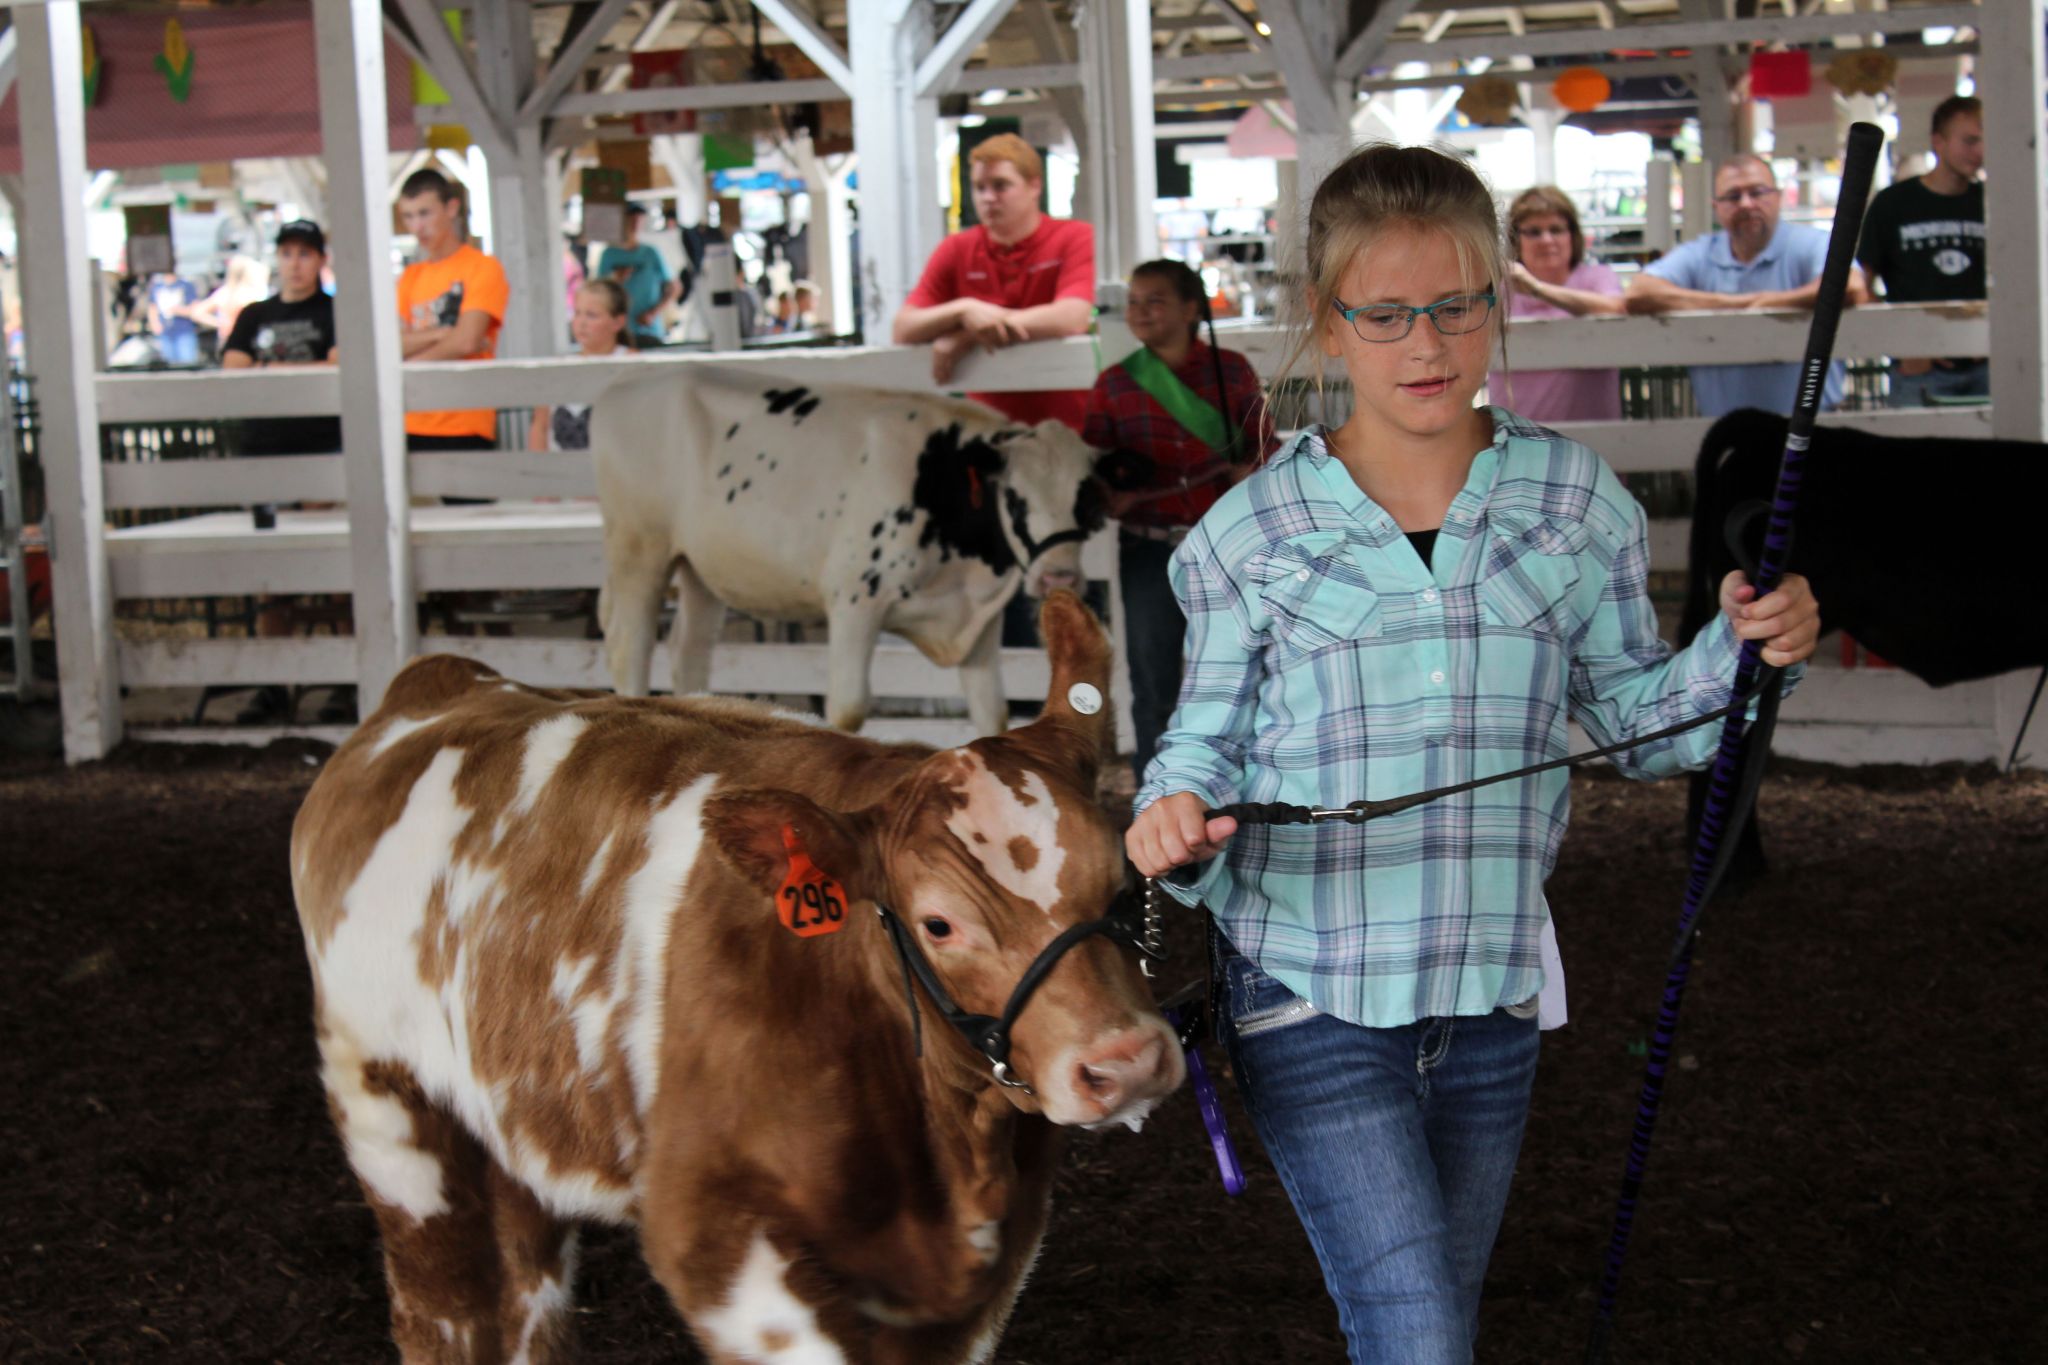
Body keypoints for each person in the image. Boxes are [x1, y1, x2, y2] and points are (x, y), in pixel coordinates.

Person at [1125, 143, 1822, 1364]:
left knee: (1430, 1325)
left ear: (1496, 304)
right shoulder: (1250, 531)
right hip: (1306, 986)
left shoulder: (1573, 503)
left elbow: (1632, 721)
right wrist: (1171, 814)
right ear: (1326, 326)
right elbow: (1200, 741)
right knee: (1418, 1336)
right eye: (1384, 313)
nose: (1425, 343)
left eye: (1455, 304)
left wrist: (1744, 650)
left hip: (1491, 991)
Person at [1083, 259, 1275, 781]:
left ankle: (1248, 792)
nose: (1141, 312)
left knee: (1248, 671)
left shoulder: (1230, 370)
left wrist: (1247, 470)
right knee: (1153, 680)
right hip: (1148, 545)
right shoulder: (1115, 385)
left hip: (1228, 547)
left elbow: (1264, 448)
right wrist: (1108, 498)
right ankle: (1159, 799)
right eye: (1135, 301)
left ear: (1192, 308)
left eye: (1155, 300)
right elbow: (1093, 470)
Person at [1626, 154, 1869, 416]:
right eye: (1732, 196)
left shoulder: (1811, 243)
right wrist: (1743, 304)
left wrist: (1769, 303)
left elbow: (1851, 287)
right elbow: (1640, 292)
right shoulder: (1701, 253)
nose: (1746, 203)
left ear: (1778, 196)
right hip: (1727, 434)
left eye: (1757, 192)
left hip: (1811, 429)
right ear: (1716, 207)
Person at [219, 219, 344, 725]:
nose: (296, 263)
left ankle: (340, 677)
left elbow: (338, 365)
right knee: (271, 573)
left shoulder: (334, 312)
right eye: (288, 253)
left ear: (319, 260)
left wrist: (267, 372)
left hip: (321, 449)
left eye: (305, 254)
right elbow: (232, 367)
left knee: (334, 566)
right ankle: (275, 682)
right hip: (265, 451)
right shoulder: (254, 314)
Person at [891, 133, 1096, 430]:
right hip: (989, 434)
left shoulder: (1074, 237)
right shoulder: (956, 249)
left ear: (1034, 186)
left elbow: (1070, 317)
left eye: (1001, 185)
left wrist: (970, 334)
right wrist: (963, 310)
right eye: (979, 187)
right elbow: (903, 328)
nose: (988, 197)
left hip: (1069, 428)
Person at [1857, 95, 1986, 407]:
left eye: (1984, 141)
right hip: (1919, 372)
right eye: (1969, 141)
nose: (1980, 151)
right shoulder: (1893, 204)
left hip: (1988, 362)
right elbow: (1860, 284)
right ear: (1938, 142)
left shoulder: (1994, 201)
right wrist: (1902, 347)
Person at [395, 167, 511, 454]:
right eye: (408, 216)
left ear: (451, 208)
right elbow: (391, 344)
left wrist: (408, 363)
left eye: (425, 213)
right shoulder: (410, 277)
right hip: (412, 418)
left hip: (465, 419)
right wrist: (441, 334)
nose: (417, 226)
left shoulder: (482, 267)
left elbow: (468, 340)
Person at [1497, 186, 1623, 422]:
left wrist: (1538, 289)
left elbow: (1617, 308)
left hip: (1594, 441)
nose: (1546, 240)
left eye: (1556, 229)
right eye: (1533, 232)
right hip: (1517, 443)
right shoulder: (1497, 287)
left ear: (1572, 236)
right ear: (1516, 239)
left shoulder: (1597, 277)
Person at [528, 278, 632, 452]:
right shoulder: (558, 367)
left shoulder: (633, 363)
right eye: (577, 313)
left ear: (618, 322)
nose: (581, 323)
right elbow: (540, 426)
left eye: (592, 315)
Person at [596, 203, 678, 349]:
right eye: (631, 219)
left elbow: (674, 287)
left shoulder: (651, 253)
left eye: (638, 220)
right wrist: (615, 279)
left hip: (649, 330)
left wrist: (653, 313)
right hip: (620, 332)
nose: (635, 224)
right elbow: (598, 294)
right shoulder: (608, 255)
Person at [146, 270, 202, 365]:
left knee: (187, 364)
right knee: (169, 366)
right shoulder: (157, 286)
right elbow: (152, 307)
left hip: (184, 332)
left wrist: (178, 310)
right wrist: (154, 323)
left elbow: (196, 309)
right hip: (165, 333)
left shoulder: (186, 286)